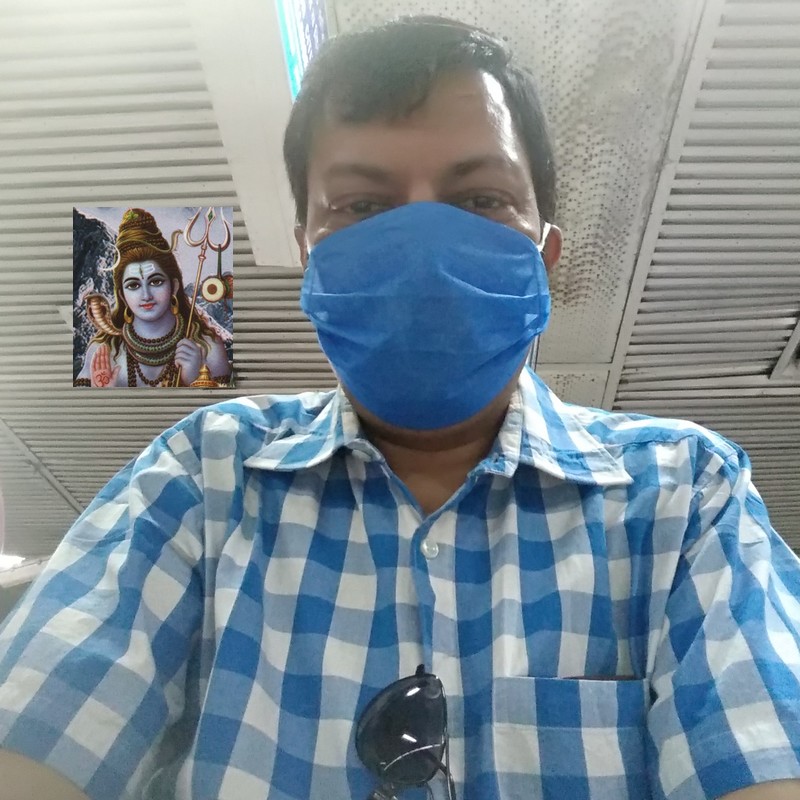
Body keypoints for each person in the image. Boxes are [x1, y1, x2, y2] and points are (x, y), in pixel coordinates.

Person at [1, 14, 799, 800]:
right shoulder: (201, 475)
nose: (424, 238)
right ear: (310, 256)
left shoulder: (686, 494)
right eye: (362, 207)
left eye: (481, 198)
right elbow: (43, 731)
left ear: (544, 254)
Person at [73, 208, 232, 388]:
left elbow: (229, 404)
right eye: (133, 285)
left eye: (156, 282)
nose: (146, 295)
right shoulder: (103, 350)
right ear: (122, 295)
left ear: (174, 286)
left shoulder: (208, 346)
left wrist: (196, 380)